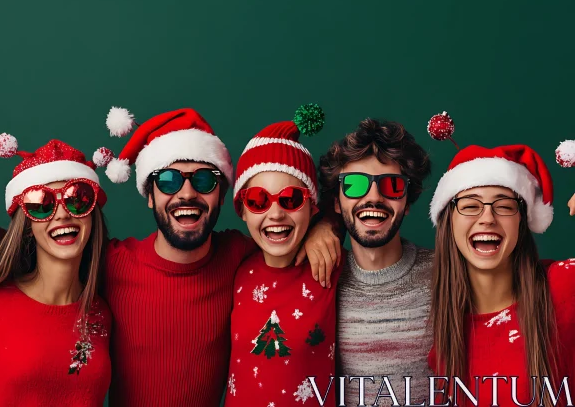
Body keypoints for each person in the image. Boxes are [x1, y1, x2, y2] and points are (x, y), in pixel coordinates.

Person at [98, 107, 332, 407]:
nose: (186, 194)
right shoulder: (110, 264)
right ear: (150, 194)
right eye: (168, 180)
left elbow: (284, 225)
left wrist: (326, 227)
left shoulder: (239, 257)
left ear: (222, 195)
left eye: (204, 180)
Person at [428, 144, 575, 406]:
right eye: (470, 206)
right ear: (449, 222)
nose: (487, 218)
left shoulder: (564, 286)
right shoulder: (443, 345)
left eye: (504, 205)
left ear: (521, 219)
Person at [0, 136, 112, 406]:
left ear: (92, 214)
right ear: (27, 224)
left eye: (77, 199)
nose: (62, 214)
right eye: (42, 205)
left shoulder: (103, 314)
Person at [312, 118, 434, 405]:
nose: (374, 197)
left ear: (408, 200)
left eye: (392, 185)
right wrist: (320, 227)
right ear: (337, 202)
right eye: (354, 185)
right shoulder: (319, 278)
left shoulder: (446, 274)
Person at [225, 113, 342, 406]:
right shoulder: (235, 262)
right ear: (242, 210)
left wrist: (329, 225)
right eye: (258, 200)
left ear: (312, 207)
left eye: (291, 199)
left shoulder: (332, 267)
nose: (275, 214)